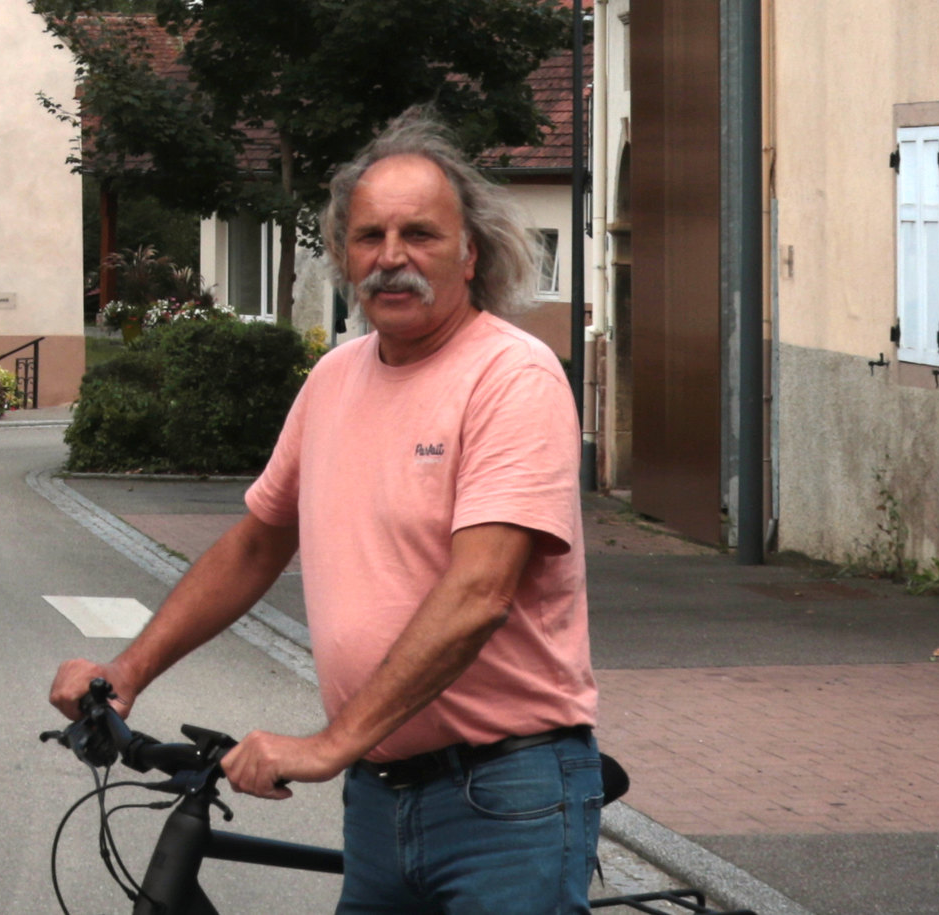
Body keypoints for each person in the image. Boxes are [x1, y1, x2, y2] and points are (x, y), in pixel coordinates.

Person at [48, 108, 600, 914]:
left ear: (470, 252)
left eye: (421, 233)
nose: (392, 257)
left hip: (504, 795)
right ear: (344, 255)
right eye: (370, 236)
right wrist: (126, 672)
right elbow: (254, 546)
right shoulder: (334, 380)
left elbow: (479, 591)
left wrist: (330, 744)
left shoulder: (511, 377)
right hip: (379, 800)